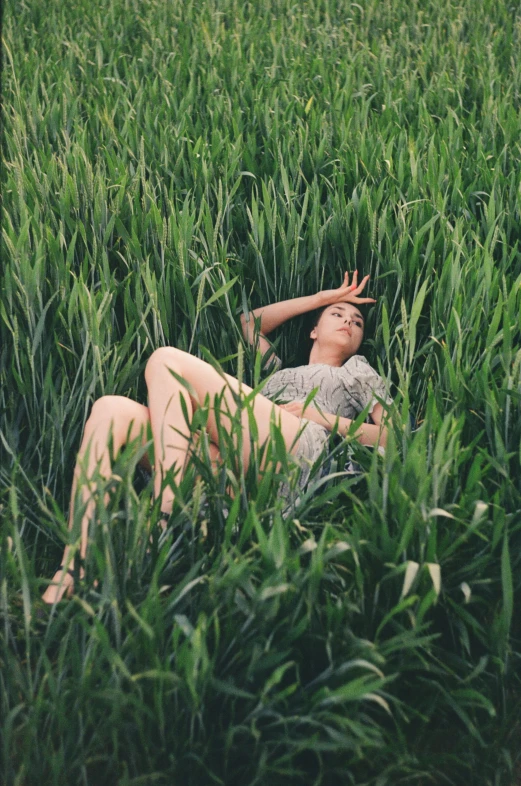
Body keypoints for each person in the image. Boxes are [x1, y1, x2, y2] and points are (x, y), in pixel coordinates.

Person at [42, 270, 391, 604]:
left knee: (167, 360)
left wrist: (320, 415)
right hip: (236, 466)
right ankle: (76, 564)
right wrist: (319, 298)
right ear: (313, 331)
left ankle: (165, 516)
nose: (348, 321)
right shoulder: (277, 371)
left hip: (301, 452)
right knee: (110, 409)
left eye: (357, 322)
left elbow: (393, 437)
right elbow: (250, 323)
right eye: (337, 314)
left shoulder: (356, 370)